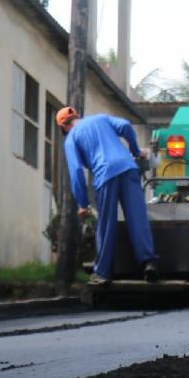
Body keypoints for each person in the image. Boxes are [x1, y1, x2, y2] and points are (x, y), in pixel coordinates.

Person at [57, 107, 158, 286]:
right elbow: (126, 126)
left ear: (64, 127)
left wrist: (83, 203)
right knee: (138, 218)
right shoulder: (101, 118)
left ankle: (103, 272)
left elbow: (76, 172)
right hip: (128, 168)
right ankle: (148, 262)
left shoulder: (71, 139)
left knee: (106, 224)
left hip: (105, 175)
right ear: (77, 117)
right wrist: (134, 150)